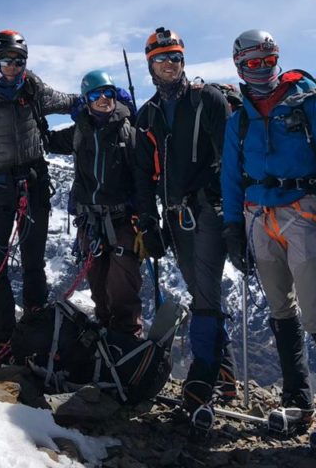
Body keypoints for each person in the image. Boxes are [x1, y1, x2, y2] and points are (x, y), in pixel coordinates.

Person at [220, 30, 316, 452]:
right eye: (252, 64)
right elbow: (230, 175)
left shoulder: (308, 102)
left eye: (267, 61)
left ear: (277, 59)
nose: (261, 70)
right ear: (239, 67)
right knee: (281, 310)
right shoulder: (238, 118)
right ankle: (297, 399)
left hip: (302, 211)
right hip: (256, 216)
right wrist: (232, 227)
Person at [131, 26, 236, 433]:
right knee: (199, 289)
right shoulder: (149, 115)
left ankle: (201, 381)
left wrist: (221, 197)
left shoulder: (207, 99)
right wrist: (147, 221)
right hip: (174, 216)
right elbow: (143, 175)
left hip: (207, 209)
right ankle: (223, 376)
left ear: (183, 61)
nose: (169, 64)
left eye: (175, 57)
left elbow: (229, 153)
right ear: (151, 66)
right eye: (162, 59)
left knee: (206, 290)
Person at [0, 30, 78, 364]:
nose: (12, 67)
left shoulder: (33, 90)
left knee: (34, 263)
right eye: (6, 60)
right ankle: (3, 339)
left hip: (33, 184)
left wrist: (100, 98)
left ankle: (35, 337)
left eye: (18, 61)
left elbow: (68, 102)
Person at [47, 70, 143, 336]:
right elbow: (46, 141)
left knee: (123, 287)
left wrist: (146, 219)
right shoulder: (80, 132)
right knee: (99, 287)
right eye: (95, 94)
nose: (103, 98)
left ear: (115, 95)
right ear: (86, 100)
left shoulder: (128, 131)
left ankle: (127, 344)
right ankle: (105, 345)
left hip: (124, 221)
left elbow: (144, 178)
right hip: (91, 223)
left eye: (107, 93)